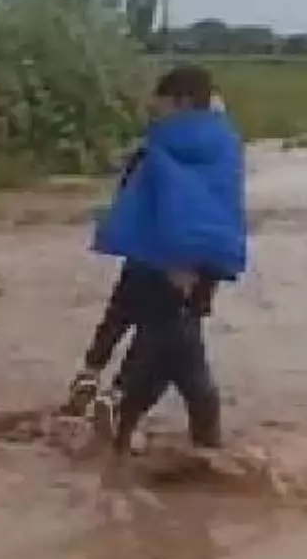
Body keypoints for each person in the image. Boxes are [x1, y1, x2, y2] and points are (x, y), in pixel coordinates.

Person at [88, 63, 246, 455]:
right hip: (195, 267)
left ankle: (118, 412)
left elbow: (136, 200)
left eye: (160, 108)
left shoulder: (156, 149)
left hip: (158, 261)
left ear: (181, 102)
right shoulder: (223, 144)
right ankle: (206, 458)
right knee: (188, 368)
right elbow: (221, 200)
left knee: (177, 359)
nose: (154, 116)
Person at [63, 87, 228, 430]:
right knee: (185, 371)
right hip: (179, 274)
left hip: (144, 264)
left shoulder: (151, 153)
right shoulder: (197, 160)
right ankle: (118, 400)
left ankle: (97, 382)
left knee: (133, 325)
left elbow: (127, 205)